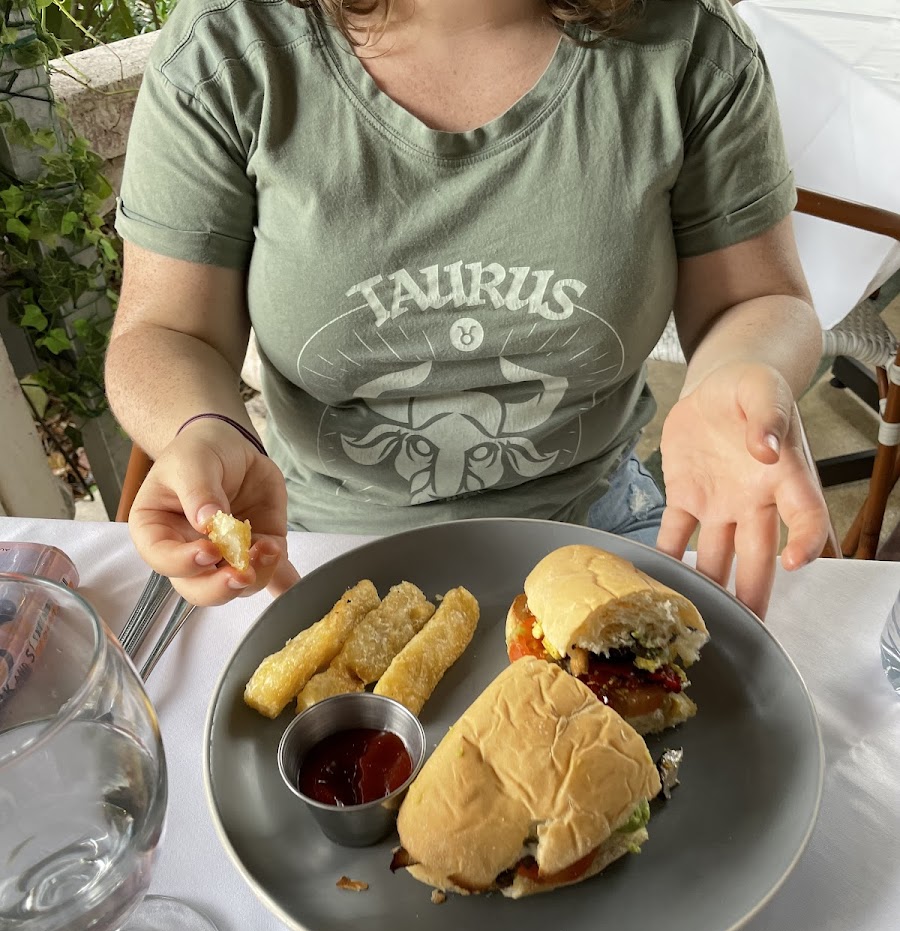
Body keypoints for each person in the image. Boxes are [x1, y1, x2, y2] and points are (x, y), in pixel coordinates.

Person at [106, 0, 831, 618]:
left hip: (602, 519)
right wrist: (200, 428)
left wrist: (741, 372)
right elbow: (166, 330)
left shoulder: (692, 47)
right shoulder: (227, 51)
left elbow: (760, 298)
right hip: (309, 542)